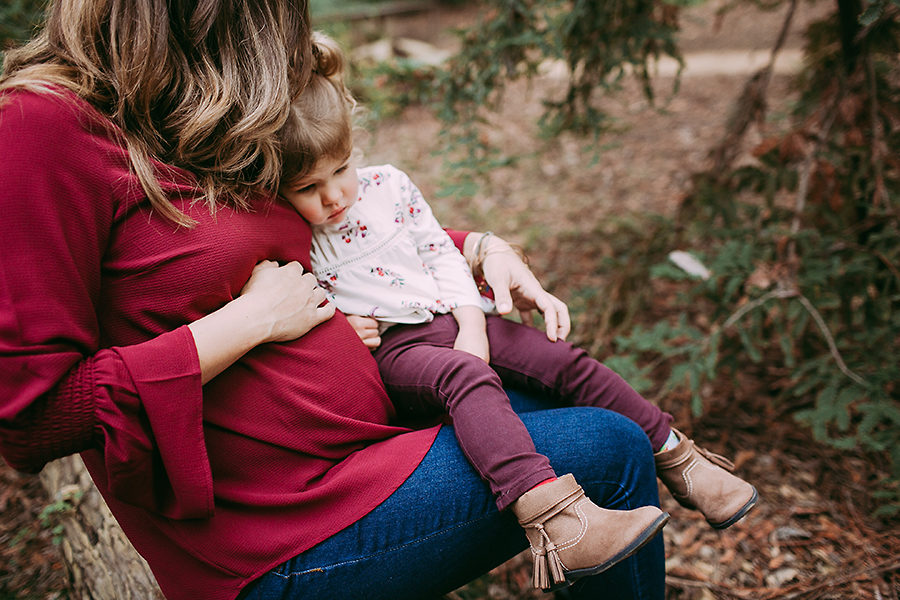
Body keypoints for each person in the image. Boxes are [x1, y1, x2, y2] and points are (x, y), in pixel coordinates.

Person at [0, 2, 665, 599]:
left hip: (372, 433)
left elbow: (299, 234)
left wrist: (473, 246)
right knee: (607, 449)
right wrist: (248, 323)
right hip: (277, 526)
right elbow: (32, 419)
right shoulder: (41, 126)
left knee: (580, 402)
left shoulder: (188, 99)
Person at [277, 33, 759, 587]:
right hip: (400, 350)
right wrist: (344, 327)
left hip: (456, 315)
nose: (333, 197)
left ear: (354, 146)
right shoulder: (298, 235)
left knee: (561, 359)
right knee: (465, 375)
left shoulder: (389, 187)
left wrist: (473, 322)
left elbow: (441, 252)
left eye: (340, 171)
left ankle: (681, 459)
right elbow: (306, 304)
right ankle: (556, 519)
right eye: (309, 187)